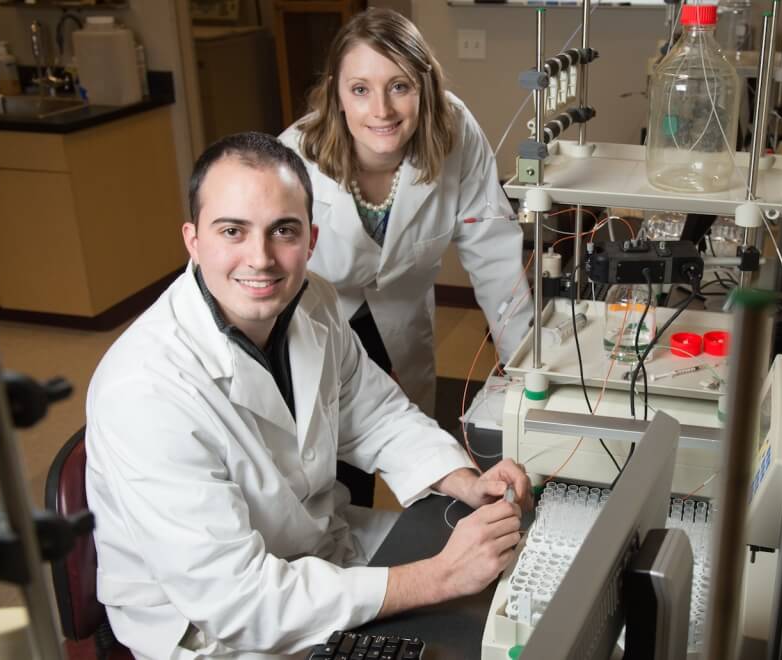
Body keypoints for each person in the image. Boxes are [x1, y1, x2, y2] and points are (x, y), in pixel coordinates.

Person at [84, 132, 531, 660]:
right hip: (212, 630)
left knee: (511, 577)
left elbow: (375, 414)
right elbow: (239, 600)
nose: (262, 258)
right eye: (233, 230)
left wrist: (464, 481)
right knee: (457, 624)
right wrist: (438, 577)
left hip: (319, 549)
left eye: (283, 231)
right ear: (193, 239)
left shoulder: (310, 299)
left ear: (311, 239)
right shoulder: (144, 390)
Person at [280, 8, 532, 418]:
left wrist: (525, 368)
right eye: (360, 89)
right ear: (336, 94)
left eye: (399, 86)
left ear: (425, 87)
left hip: (402, 319)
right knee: (339, 465)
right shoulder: (292, 157)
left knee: (415, 448)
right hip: (316, 322)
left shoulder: (455, 131)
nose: (381, 110)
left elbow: (494, 256)